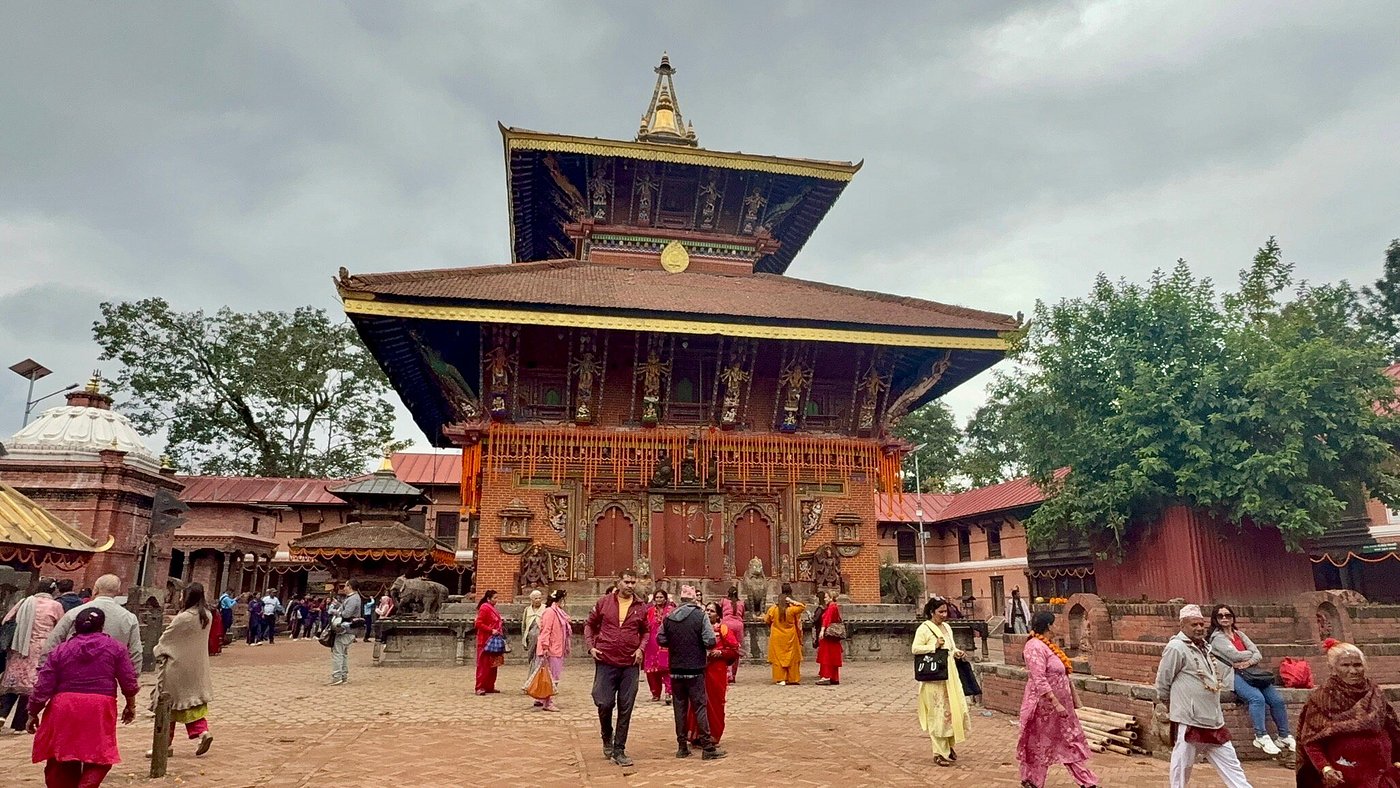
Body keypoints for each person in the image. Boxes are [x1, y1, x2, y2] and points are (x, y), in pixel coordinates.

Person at [26, 608, 139, 788]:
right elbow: (128, 681)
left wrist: (33, 712)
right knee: (99, 756)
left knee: (62, 756)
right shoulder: (116, 648)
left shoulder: (60, 650)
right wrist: (130, 706)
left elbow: (43, 685)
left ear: (74, 627)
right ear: (102, 626)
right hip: (100, 706)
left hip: (63, 706)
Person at [1155, 604, 1252, 788]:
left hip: (1213, 718)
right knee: (1182, 766)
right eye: (1194, 625)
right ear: (1182, 625)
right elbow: (1162, 682)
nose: (1199, 628)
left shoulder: (1205, 646)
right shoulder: (1176, 647)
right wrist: (1171, 707)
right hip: (1189, 719)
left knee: (1231, 764)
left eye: (1201, 624)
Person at [1296, 640, 1400, 787]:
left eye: (1357, 665)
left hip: (1382, 776)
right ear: (1333, 668)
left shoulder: (1375, 693)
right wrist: (1325, 769)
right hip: (1346, 777)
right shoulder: (1322, 697)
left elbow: (1393, 730)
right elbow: (1311, 741)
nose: (1353, 671)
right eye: (1345, 665)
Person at [1016, 611, 1099, 788]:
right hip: (1044, 708)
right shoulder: (1034, 647)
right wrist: (1055, 702)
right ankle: (1032, 780)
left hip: (1060, 709)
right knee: (1039, 744)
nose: (1058, 625)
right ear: (1048, 626)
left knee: (1069, 742)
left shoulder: (1048, 646)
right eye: (1055, 622)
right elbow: (1039, 678)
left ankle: (1086, 781)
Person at [584, 568, 649, 768]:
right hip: (606, 659)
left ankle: (619, 748)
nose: (630, 586)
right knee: (603, 702)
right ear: (618, 582)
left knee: (626, 706)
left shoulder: (641, 607)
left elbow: (646, 631)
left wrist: (641, 649)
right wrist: (591, 646)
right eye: (626, 582)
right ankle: (606, 734)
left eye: (633, 582)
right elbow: (589, 625)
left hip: (630, 663)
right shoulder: (604, 603)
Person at [1207, 604, 1293, 756]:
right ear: (1215, 619)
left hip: (1252, 672)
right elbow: (1234, 656)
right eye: (1221, 616)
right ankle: (1261, 735)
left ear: (1233, 617)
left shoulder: (1239, 634)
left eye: (1228, 615)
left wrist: (1248, 661)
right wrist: (1250, 655)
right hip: (1233, 674)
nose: (1225, 618)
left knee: (1277, 700)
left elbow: (1257, 653)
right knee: (1257, 698)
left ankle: (1284, 735)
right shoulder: (1217, 638)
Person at [658, 585, 725, 760]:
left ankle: (682, 747)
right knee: (699, 706)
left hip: (676, 669)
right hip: (695, 669)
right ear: (693, 599)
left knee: (679, 707)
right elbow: (710, 641)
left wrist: (676, 644)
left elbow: (661, 638)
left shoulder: (669, 616)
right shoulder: (700, 616)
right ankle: (707, 747)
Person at [150, 582, 215, 759]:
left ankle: (164, 744)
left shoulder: (184, 618)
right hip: (197, 669)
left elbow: (167, 640)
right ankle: (203, 733)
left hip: (176, 667)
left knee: (167, 705)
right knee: (191, 704)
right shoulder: (206, 615)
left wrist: (157, 651)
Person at [913, 595, 971, 767]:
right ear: (932, 612)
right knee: (938, 714)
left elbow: (950, 648)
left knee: (954, 710)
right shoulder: (924, 629)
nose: (944, 615)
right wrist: (933, 646)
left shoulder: (946, 627)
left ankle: (949, 746)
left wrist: (957, 652)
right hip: (934, 677)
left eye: (946, 611)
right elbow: (915, 649)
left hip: (950, 675)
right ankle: (938, 751)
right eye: (941, 612)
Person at [2, 578, 64, 734]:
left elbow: (7, 619)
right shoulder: (55, 606)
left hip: (18, 646)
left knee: (12, 680)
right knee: (30, 685)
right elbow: (61, 627)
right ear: (53, 590)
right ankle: (19, 724)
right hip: (41, 648)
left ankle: (2, 714)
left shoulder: (25, 602)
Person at [45, 574, 143, 672]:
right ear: (117, 592)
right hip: (109, 675)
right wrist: (131, 678)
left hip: (72, 672)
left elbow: (53, 642)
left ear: (95, 590)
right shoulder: (129, 618)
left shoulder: (75, 612)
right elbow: (135, 652)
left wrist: (46, 670)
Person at [687, 601, 740, 748]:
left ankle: (712, 735)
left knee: (715, 703)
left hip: (716, 671)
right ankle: (697, 735)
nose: (708, 613)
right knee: (697, 701)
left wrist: (720, 652)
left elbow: (734, 649)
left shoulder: (723, 629)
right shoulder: (698, 629)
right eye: (707, 610)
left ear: (718, 615)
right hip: (699, 669)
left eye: (711, 611)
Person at [534, 589, 571, 712]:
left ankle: (542, 698)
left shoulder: (558, 612)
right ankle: (547, 701)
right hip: (551, 648)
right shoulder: (550, 612)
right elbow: (546, 630)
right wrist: (545, 646)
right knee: (551, 676)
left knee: (550, 675)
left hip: (557, 647)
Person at [763, 584, 806, 685]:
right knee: (792, 658)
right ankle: (793, 678)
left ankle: (780, 678)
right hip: (790, 635)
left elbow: (767, 620)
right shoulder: (791, 610)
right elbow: (802, 606)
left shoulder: (773, 609)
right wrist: (792, 602)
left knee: (778, 659)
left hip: (777, 636)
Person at [328, 580, 362, 686]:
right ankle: (343, 675)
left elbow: (346, 614)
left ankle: (337, 676)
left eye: (346, 586)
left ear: (350, 587)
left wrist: (334, 611)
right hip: (348, 630)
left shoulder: (353, 599)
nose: (344, 588)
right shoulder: (352, 598)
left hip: (346, 629)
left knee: (338, 652)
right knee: (343, 653)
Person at [644, 590, 674, 703]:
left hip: (666, 642)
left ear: (665, 599)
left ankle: (668, 692)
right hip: (651, 643)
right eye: (657, 597)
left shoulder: (671, 611)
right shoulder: (649, 611)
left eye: (661, 597)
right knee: (651, 671)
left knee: (666, 668)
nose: (659, 599)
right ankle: (655, 693)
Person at [473, 589, 503, 695]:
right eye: (494, 598)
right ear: (488, 599)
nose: (496, 600)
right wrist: (491, 630)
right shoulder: (484, 608)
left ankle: (489, 686)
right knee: (483, 665)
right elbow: (478, 623)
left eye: (497, 598)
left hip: (494, 640)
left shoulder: (492, 608)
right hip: (486, 640)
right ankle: (480, 686)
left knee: (493, 665)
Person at [815, 590, 843, 686]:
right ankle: (834, 677)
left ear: (831, 598)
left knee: (826, 656)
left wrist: (822, 630)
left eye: (826, 597)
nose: (825, 599)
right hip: (833, 636)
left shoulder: (831, 607)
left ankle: (826, 676)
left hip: (828, 636)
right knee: (833, 656)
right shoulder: (834, 606)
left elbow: (827, 619)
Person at [520, 590, 545, 693]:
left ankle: (533, 684)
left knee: (539, 661)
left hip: (541, 639)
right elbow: (524, 625)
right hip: (530, 638)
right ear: (531, 600)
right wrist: (524, 639)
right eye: (535, 598)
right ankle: (530, 683)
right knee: (532, 660)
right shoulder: (527, 610)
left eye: (539, 598)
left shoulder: (545, 609)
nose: (538, 600)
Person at [720, 587, 745, 684]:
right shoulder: (741, 603)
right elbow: (742, 615)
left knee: (726, 648)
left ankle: (728, 674)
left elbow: (720, 612)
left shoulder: (723, 601)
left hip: (727, 625)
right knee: (736, 649)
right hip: (738, 626)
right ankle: (733, 675)